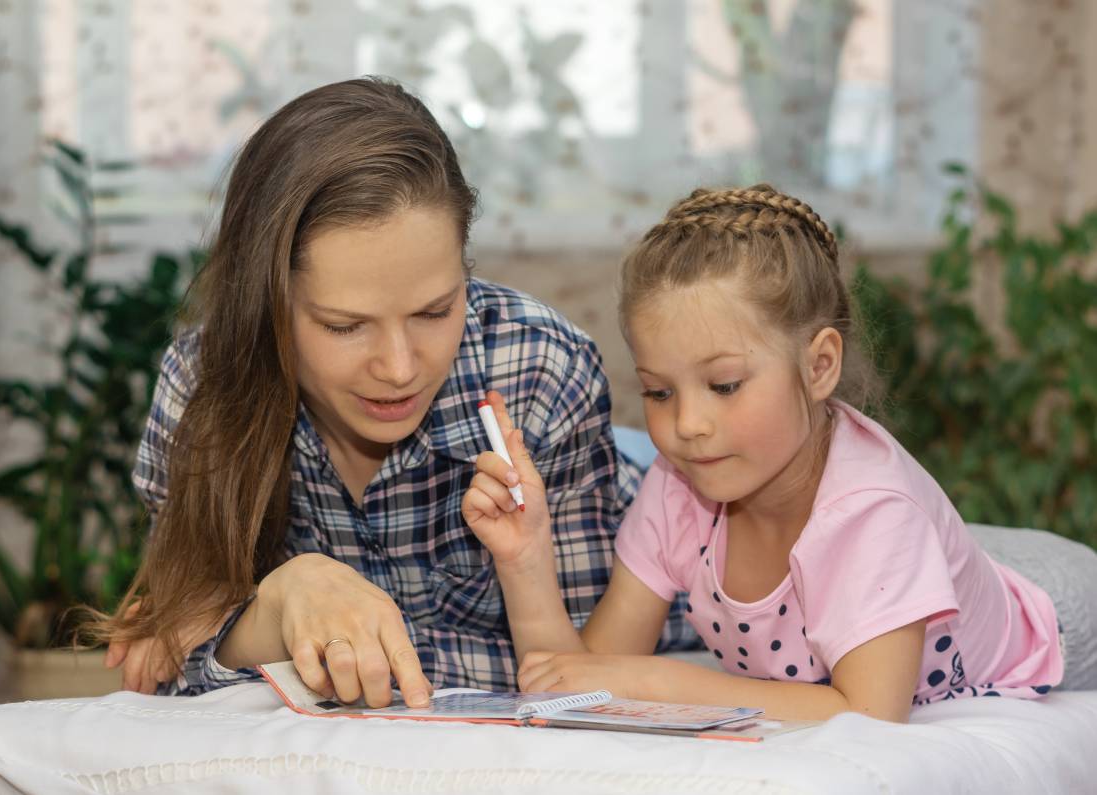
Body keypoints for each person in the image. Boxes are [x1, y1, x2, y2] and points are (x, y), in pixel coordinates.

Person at [93, 77, 693, 707]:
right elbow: (165, 661)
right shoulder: (203, 388)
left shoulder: (538, 370)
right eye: (344, 326)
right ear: (265, 303)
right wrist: (286, 598)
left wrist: (280, 637)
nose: (401, 368)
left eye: (435, 311)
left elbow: (586, 672)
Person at [463, 185, 1065, 722]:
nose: (688, 425)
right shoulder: (679, 484)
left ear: (819, 365)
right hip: (919, 564)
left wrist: (658, 679)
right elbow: (580, 679)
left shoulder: (874, 514)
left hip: (1051, 610)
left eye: (724, 385)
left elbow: (870, 714)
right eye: (659, 392)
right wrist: (525, 560)